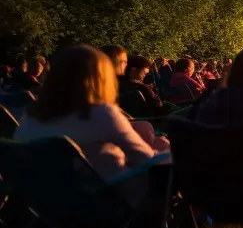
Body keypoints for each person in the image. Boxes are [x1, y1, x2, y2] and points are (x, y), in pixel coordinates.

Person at [14, 46, 166, 193]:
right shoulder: (101, 113)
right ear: (101, 77)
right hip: (102, 204)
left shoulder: (30, 116)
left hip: (46, 201)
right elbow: (145, 158)